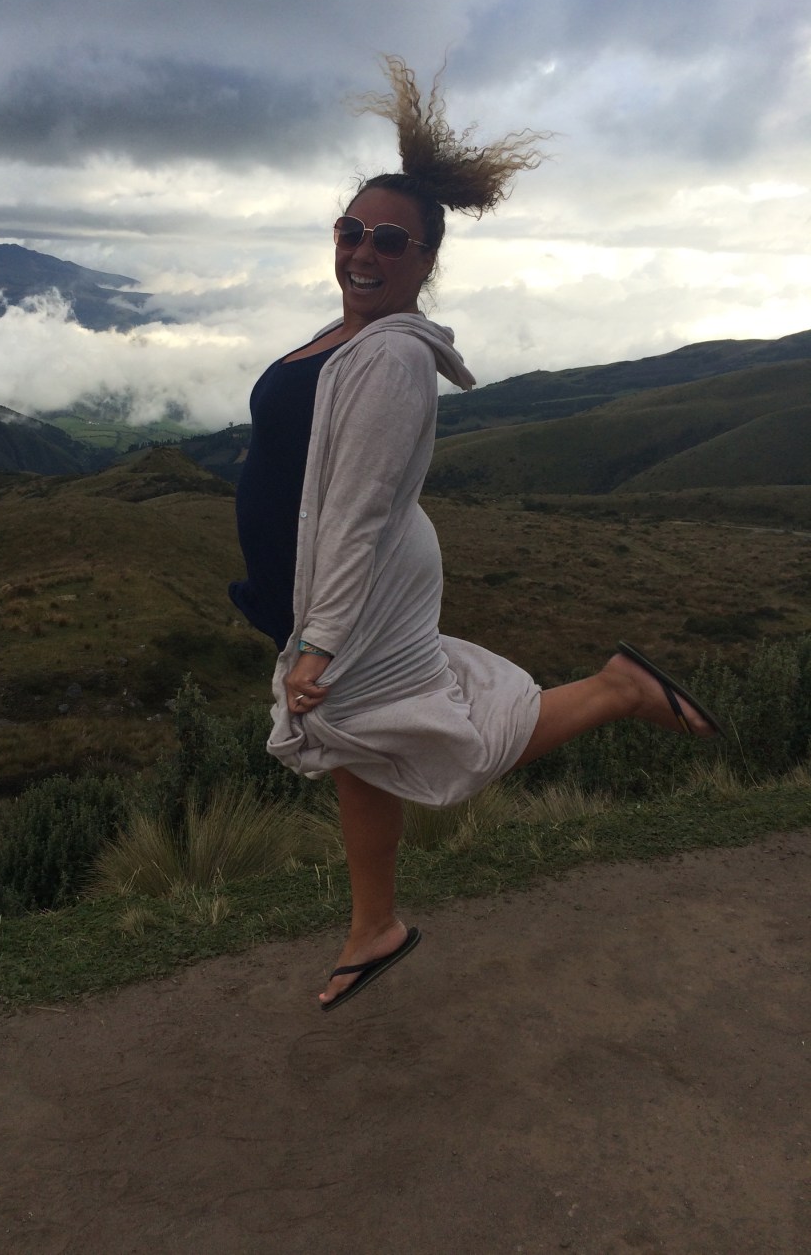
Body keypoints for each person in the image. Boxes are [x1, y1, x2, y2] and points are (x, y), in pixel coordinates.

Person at [229, 57, 722, 1012]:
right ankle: (374, 925)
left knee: (418, 731)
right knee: (364, 739)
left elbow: (359, 506)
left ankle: (617, 690)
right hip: (339, 578)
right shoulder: (346, 334)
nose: (363, 252)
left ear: (424, 261)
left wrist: (320, 637)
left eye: (389, 241)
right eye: (350, 231)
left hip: (358, 583)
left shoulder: (391, 357)